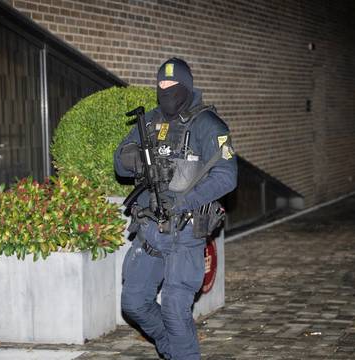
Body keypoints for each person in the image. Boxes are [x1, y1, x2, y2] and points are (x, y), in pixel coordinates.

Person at [114, 57, 237, 360]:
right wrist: (140, 160)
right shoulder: (151, 122)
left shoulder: (209, 125)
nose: (166, 91)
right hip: (149, 232)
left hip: (185, 233)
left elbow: (227, 176)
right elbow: (119, 161)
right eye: (161, 86)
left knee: (174, 309)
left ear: (187, 86)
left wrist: (184, 201)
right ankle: (172, 350)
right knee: (133, 302)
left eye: (173, 86)